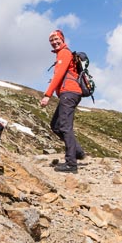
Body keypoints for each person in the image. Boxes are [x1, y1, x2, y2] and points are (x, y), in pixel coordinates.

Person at [39, 29, 86, 173]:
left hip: (69, 93)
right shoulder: (62, 54)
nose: (54, 42)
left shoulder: (64, 53)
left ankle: (71, 164)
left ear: (62, 39)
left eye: (56, 39)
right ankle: (77, 151)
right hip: (69, 93)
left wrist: (48, 94)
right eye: (51, 40)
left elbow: (58, 75)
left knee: (65, 126)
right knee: (55, 125)